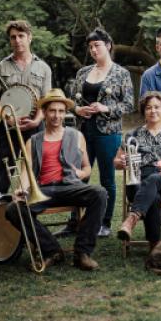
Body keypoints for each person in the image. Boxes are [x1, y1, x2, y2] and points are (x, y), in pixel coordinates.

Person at [5, 88, 107, 270]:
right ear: (44, 113)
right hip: (43, 190)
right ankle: (52, 250)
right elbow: (26, 172)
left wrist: (81, 174)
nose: (56, 116)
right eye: (52, 111)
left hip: (70, 186)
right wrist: (21, 189)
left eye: (60, 111)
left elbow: (87, 168)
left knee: (99, 193)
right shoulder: (33, 141)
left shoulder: (77, 136)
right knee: (13, 209)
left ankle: (82, 252)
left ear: (65, 113)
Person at [69, 28, 134, 238]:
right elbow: (72, 103)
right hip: (82, 132)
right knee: (78, 178)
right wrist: (78, 110)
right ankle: (74, 221)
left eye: (97, 45)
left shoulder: (121, 73)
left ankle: (104, 223)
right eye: (90, 46)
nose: (93, 49)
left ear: (108, 45)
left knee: (107, 180)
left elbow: (130, 104)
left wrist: (106, 109)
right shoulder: (82, 73)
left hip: (108, 134)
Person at [0, 20, 52, 194]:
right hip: (9, 128)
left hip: (35, 126)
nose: (17, 40)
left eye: (21, 36)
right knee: (3, 174)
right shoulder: (0, 67)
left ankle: (32, 215)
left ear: (30, 38)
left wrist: (37, 121)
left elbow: (46, 100)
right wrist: (8, 119)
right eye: (13, 37)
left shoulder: (43, 68)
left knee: (35, 171)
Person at [114, 91, 161, 249]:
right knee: (153, 196)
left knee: (155, 179)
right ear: (143, 111)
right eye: (148, 108)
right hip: (137, 183)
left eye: (157, 107)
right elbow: (116, 163)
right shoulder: (132, 135)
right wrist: (121, 162)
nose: (153, 111)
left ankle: (131, 219)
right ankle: (155, 245)